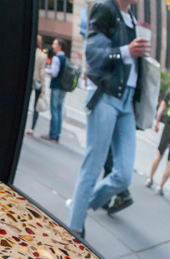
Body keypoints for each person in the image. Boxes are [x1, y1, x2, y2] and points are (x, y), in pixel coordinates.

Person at [67, 0, 150, 237]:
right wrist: (127, 51)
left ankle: (79, 205)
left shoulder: (132, 19)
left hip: (127, 101)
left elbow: (135, 66)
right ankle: (73, 230)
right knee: (93, 165)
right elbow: (94, 55)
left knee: (123, 175)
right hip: (104, 95)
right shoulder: (106, 9)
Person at [41, 39, 68, 143]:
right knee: (59, 110)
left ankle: (52, 134)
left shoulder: (57, 58)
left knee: (54, 111)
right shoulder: (65, 58)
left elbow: (54, 73)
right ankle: (57, 134)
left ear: (59, 46)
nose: (52, 46)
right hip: (63, 87)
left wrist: (45, 70)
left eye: (54, 44)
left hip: (56, 86)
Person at [145, 89, 170, 196]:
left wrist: (157, 122)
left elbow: (161, 108)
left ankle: (150, 179)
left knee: (160, 152)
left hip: (168, 125)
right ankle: (160, 186)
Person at [26, 36, 47, 136]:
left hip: (29, 80)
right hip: (38, 81)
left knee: (25, 102)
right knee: (36, 106)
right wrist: (43, 88)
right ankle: (32, 128)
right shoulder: (43, 56)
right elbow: (42, 73)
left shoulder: (30, 52)